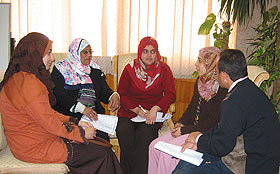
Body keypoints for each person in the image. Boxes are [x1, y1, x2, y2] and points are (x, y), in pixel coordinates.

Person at [0, 32, 122, 174]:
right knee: (103, 154)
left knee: (101, 148)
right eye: (49, 53)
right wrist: (81, 133)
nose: (52, 58)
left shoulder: (20, 77)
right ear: (35, 54)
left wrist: (75, 122)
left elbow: (47, 114)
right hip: (36, 146)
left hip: (31, 141)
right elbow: (50, 122)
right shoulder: (28, 83)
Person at [173, 49, 280, 174]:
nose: (216, 77)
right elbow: (223, 130)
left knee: (184, 171)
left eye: (217, 73)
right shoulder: (251, 90)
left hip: (249, 166)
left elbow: (221, 146)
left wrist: (197, 139)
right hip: (263, 160)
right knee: (190, 158)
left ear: (224, 75)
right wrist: (199, 139)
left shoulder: (233, 101)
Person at [148, 46, 227, 174]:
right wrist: (180, 122)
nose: (196, 64)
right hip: (189, 129)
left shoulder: (221, 89)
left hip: (204, 135)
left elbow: (213, 122)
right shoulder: (200, 82)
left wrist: (184, 130)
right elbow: (191, 107)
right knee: (154, 147)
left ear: (211, 64)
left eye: (200, 61)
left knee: (166, 155)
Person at [116, 36, 176, 174]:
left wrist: (155, 108)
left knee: (145, 136)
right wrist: (137, 110)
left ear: (157, 53)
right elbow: (121, 94)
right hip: (130, 111)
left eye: (152, 51)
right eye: (145, 51)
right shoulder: (129, 69)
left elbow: (170, 94)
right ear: (140, 52)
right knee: (124, 131)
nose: (149, 55)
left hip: (152, 114)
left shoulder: (163, 69)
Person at [51, 38, 120, 141]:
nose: (89, 55)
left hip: (93, 117)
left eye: (90, 52)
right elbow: (57, 95)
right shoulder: (61, 69)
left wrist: (114, 95)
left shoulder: (95, 70)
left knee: (103, 142)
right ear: (75, 53)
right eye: (85, 52)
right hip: (71, 118)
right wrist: (82, 109)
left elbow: (104, 92)